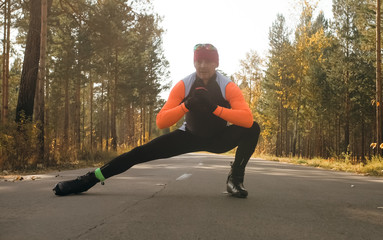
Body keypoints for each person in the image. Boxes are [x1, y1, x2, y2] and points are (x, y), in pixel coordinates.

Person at [53, 43, 260, 198]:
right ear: (194, 62)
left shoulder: (227, 86)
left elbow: (247, 119)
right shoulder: (184, 85)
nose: (203, 65)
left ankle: (235, 179)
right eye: (199, 60)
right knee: (138, 153)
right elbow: (162, 122)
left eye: (208, 61)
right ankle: (89, 180)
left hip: (218, 139)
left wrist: (215, 108)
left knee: (253, 129)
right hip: (188, 136)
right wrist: (186, 105)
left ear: (216, 63)